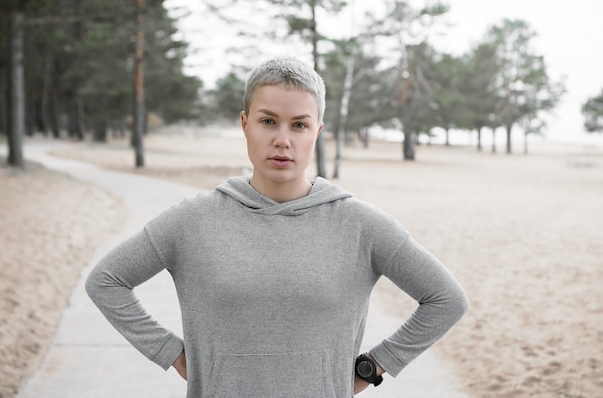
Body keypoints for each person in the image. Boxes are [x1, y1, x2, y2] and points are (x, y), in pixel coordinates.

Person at [85, 56, 468, 397]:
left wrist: (373, 366)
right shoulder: (192, 220)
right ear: (245, 123)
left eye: (298, 125)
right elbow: (106, 281)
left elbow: (446, 299)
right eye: (268, 121)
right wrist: (171, 353)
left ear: (317, 131)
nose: (282, 140)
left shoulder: (361, 225)